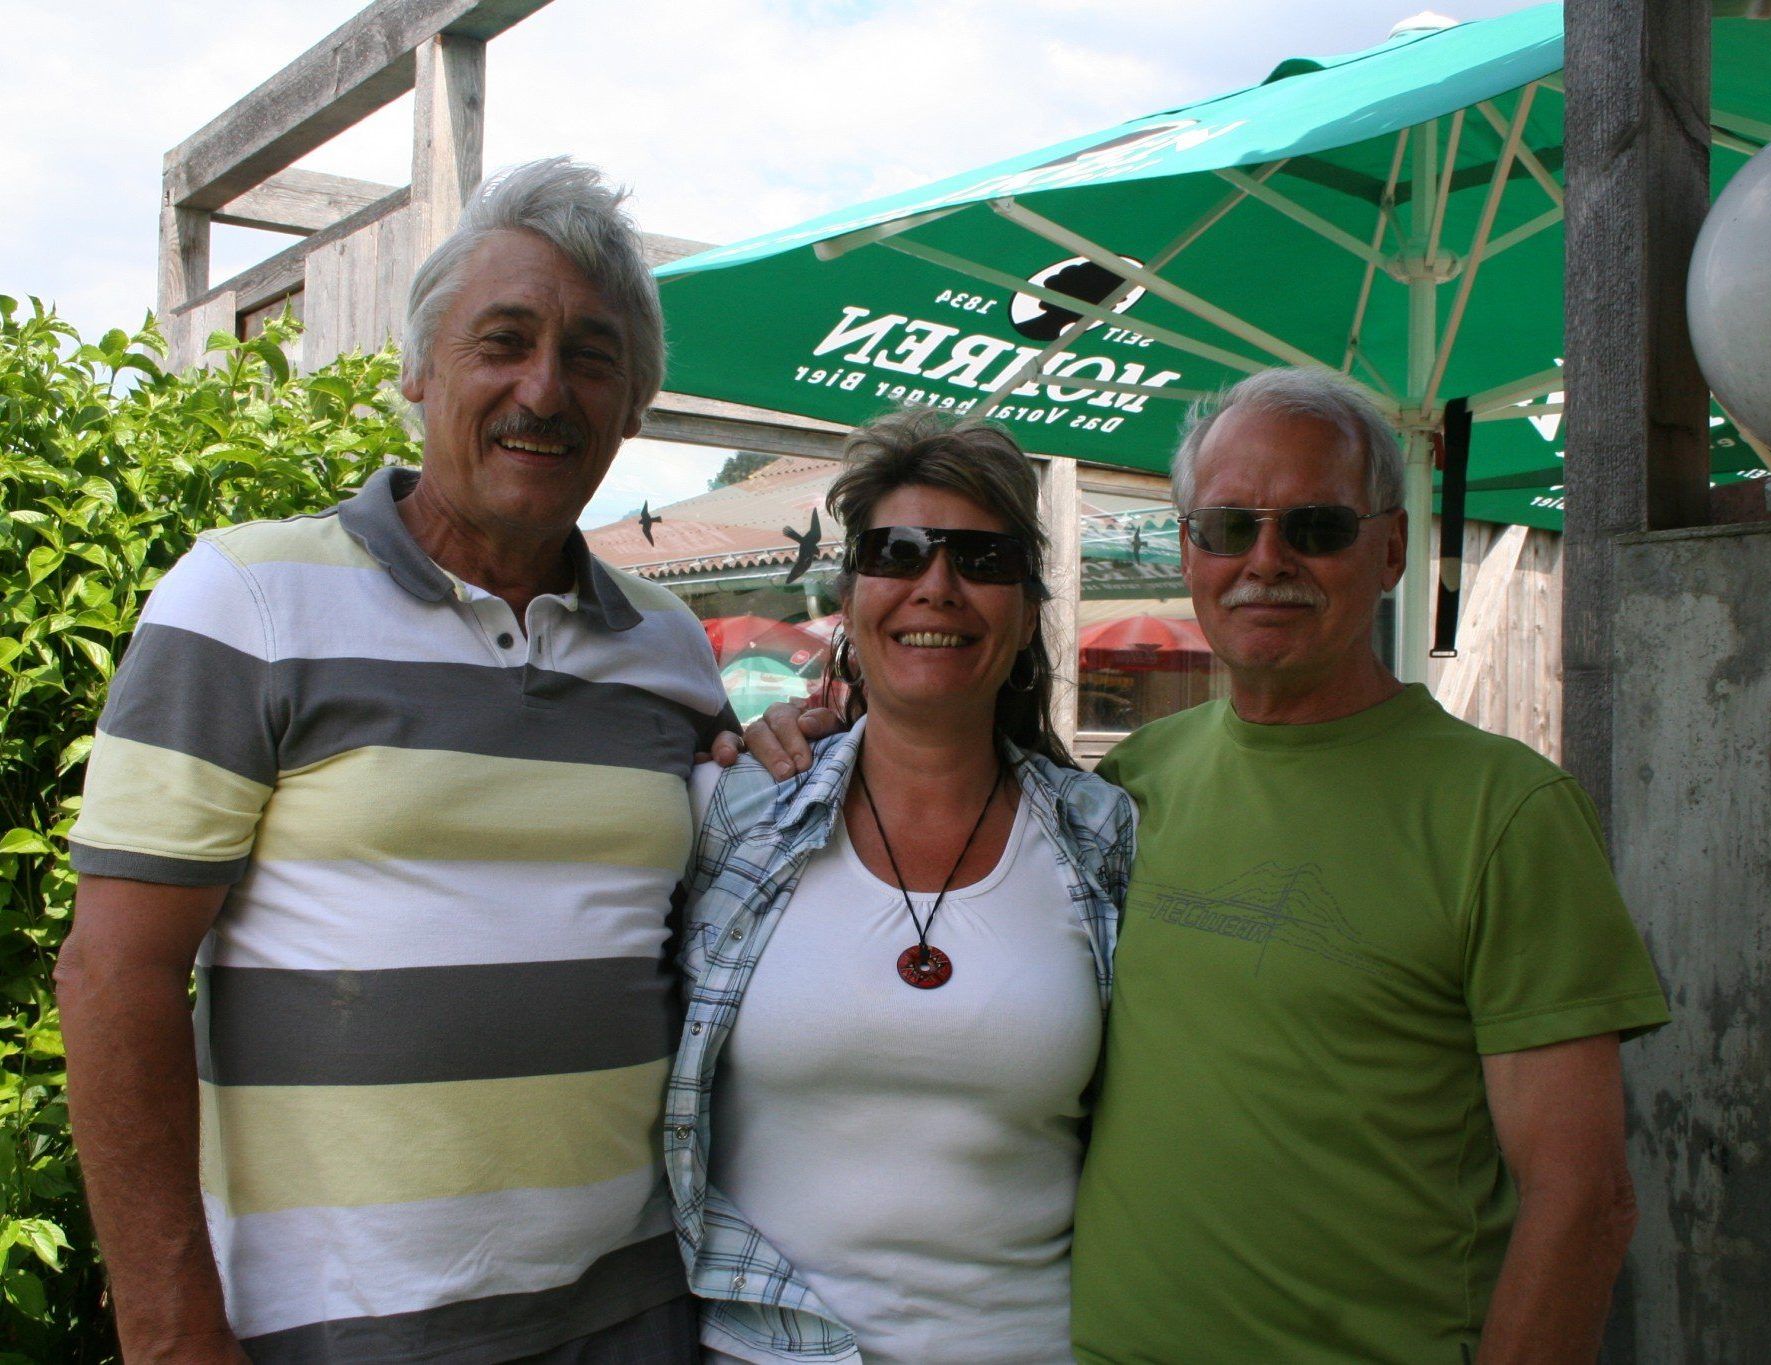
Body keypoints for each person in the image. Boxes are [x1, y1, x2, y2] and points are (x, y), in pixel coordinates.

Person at [744, 368, 1669, 1364]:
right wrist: (794, 734)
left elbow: (1581, 1202)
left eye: (1314, 528)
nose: (1264, 560)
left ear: (1391, 549)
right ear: (1188, 550)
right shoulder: (1129, 791)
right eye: (1228, 528)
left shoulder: (1503, 813)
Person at [57, 158, 732, 1364]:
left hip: (633, 1312)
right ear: (419, 371)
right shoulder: (248, 600)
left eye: (591, 354)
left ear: (634, 403)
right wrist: (170, 1335)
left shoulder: (670, 652)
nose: (544, 388)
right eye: (504, 340)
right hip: (331, 1332)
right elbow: (115, 975)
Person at [670, 409, 1133, 1365]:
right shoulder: (733, 814)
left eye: (982, 557)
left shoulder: (1105, 836)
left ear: (1027, 604)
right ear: (850, 594)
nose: (938, 584)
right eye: (900, 550)